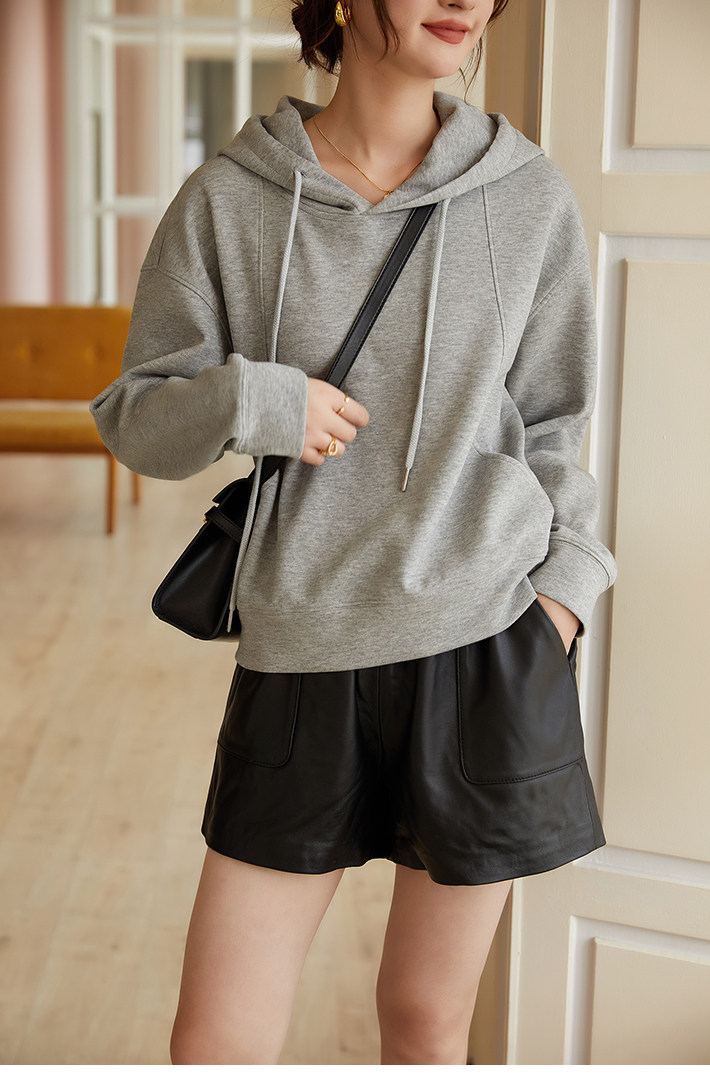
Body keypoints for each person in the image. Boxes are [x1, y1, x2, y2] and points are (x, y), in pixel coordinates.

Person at [91, 0, 618, 1064]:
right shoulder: (231, 199)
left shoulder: (526, 195)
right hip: (302, 651)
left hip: (485, 646)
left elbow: (555, 421)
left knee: (424, 1021)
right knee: (216, 1039)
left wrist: (563, 592)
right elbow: (135, 418)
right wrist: (257, 400)